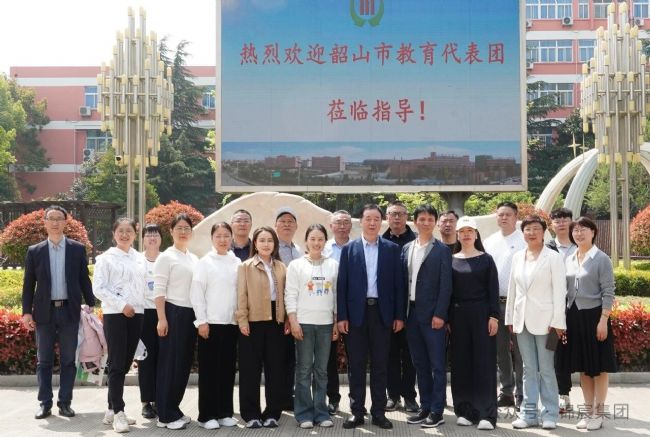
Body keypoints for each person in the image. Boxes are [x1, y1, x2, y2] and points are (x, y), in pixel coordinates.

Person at [21, 205, 95, 420]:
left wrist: (91, 302)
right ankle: (45, 403)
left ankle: (65, 403)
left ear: (65, 222)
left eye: (59, 218)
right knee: (43, 361)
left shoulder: (76, 249)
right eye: (51, 218)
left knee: (68, 361)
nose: (55, 222)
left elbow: (83, 278)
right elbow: (28, 284)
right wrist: (26, 312)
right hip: (44, 313)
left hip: (69, 312)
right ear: (44, 222)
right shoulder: (35, 251)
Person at [337, 204, 405, 430]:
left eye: (376, 218)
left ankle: (378, 412)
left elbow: (399, 285)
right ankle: (357, 412)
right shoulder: (349, 249)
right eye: (368, 218)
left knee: (380, 364)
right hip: (356, 315)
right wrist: (342, 316)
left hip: (382, 314)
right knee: (356, 366)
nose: (372, 222)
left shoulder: (391, 249)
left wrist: (399, 315)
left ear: (381, 221)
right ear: (361, 221)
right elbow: (342, 285)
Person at [505, 215, 567, 430]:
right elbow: (513, 290)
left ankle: (550, 413)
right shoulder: (517, 257)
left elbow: (560, 291)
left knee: (546, 369)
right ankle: (528, 414)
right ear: (523, 233)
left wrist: (558, 321)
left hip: (547, 322)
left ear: (543, 232)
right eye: (527, 229)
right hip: (521, 320)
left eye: (536, 229)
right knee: (528, 368)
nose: (531, 233)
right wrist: (510, 318)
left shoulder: (553, 257)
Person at [557, 217, 617, 431]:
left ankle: (598, 414)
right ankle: (588, 411)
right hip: (574, 317)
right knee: (583, 367)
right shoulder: (570, 257)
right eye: (576, 230)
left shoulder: (601, 259)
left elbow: (608, 291)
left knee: (598, 368)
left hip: (594, 317)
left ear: (593, 232)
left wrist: (603, 320)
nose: (579, 233)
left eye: (584, 229)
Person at [401, 204, 452, 429]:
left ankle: (437, 411)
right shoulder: (407, 248)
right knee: (420, 364)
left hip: (433, 317)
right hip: (411, 314)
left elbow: (446, 285)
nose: (426, 222)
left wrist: (440, 313)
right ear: (415, 222)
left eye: (430, 219)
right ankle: (425, 406)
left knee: (437, 365)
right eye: (422, 219)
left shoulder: (442, 250)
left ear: (435, 223)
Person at [93, 217, 145, 433]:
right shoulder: (105, 259)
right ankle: (119, 412)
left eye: (129, 231)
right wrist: (122, 305)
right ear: (114, 233)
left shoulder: (140, 258)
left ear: (135, 234)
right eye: (120, 231)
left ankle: (110, 409)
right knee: (116, 364)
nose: (125, 235)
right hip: (116, 314)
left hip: (138, 314)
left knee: (124, 364)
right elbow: (98, 288)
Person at [285, 224, 339, 429]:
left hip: (326, 324)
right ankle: (303, 413)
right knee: (304, 370)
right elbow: (290, 294)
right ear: (306, 241)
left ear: (325, 241)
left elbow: (336, 296)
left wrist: (335, 322)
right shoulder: (296, 265)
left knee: (322, 371)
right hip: (304, 324)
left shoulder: (333, 265)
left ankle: (321, 412)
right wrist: (293, 321)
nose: (316, 243)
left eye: (320, 239)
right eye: (312, 239)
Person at [449, 216, 499, 430]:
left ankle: (487, 414)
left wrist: (494, 316)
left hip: (482, 314)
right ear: (457, 235)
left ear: (476, 234)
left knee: (483, 363)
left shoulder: (486, 259)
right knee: (461, 363)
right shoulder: (451, 260)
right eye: (462, 231)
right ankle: (465, 411)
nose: (466, 234)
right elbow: (448, 292)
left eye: (470, 231)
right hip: (458, 315)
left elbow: (493, 290)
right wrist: (448, 318)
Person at [236, 226, 288, 429]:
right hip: (253, 322)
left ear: (275, 244)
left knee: (276, 370)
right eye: (262, 240)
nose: (266, 244)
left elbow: (286, 295)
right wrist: (242, 320)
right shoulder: (245, 266)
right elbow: (241, 295)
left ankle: (272, 413)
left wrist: (287, 320)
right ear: (255, 244)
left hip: (277, 322)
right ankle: (251, 414)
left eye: (270, 240)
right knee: (250, 370)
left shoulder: (281, 267)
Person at [190, 222, 241, 430]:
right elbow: (197, 293)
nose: (222, 239)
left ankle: (224, 413)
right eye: (218, 236)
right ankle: (207, 415)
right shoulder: (205, 262)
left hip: (231, 324)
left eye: (226, 235)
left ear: (231, 238)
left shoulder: (236, 261)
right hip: (210, 324)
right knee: (209, 371)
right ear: (212, 238)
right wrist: (201, 321)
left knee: (227, 370)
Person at [153, 214, 199, 430]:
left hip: (190, 314)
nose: (183, 231)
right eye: (179, 228)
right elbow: (159, 291)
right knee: (169, 365)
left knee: (182, 364)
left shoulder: (193, 258)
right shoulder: (166, 257)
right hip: (172, 313)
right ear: (171, 231)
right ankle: (165, 415)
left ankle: (174, 408)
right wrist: (162, 319)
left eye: (186, 228)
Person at [484, 201, 526, 409]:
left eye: (508, 214)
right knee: (500, 351)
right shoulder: (489, 241)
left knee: (520, 350)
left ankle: (522, 393)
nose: (503, 218)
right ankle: (506, 391)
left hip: (518, 303)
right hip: (495, 304)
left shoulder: (524, 239)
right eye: (500, 214)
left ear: (516, 217)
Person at [382, 201, 419, 413]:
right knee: (390, 354)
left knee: (411, 355)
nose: (396, 218)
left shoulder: (416, 242)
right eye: (393, 214)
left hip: (411, 308)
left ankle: (410, 396)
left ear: (407, 217)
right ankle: (392, 395)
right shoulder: (380, 241)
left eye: (401, 214)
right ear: (387, 217)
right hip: (387, 309)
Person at [546, 208, 577, 413]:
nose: (561, 223)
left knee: (576, 350)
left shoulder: (581, 246)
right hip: (552, 307)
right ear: (552, 224)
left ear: (572, 222)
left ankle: (590, 399)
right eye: (557, 220)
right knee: (556, 351)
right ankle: (561, 394)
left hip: (577, 307)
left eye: (565, 219)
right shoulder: (546, 248)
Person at [322, 210, 352, 415]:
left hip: (353, 310)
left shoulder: (358, 247)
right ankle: (333, 398)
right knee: (328, 358)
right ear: (331, 226)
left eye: (345, 222)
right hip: (328, 310)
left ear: (351, 225)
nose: (342, 226)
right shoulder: (322, 249)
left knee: (355, 357)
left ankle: (356, 400)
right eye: (338, 223)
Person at [275, 206, 301, 411]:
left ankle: (288, 396)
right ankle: (279, 397)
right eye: (282, 221)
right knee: (279, 357)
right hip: (277, 312)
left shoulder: (299, 250)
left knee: (292, 357)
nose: (286, 224)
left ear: (296, 226)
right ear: (275, 225)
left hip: (297, 312)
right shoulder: (272, 248)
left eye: (290, 221)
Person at [137, 223, 162, 420]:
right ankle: (146, 401)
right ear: (143, 239)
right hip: (143, 314)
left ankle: (160, 399)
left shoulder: (167, 259)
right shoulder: (136, 260)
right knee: (145, 358)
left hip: (164, 314)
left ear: (161, 238)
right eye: (148, 235)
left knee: (163, 358)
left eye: (156, 234)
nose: (152, 238)